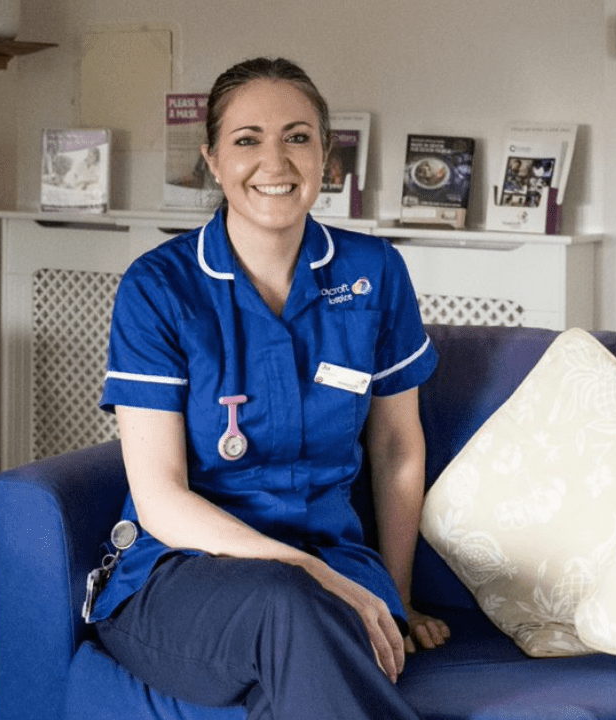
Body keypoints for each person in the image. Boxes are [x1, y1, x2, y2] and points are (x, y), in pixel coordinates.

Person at [89, 56, 450, 720]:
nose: (275, 161)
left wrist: (391, 601)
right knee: (291, 608)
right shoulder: (157, 287)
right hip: (180, 571)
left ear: (326, 158)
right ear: (214, 160)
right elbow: (160, 498)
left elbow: (398, 448)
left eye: (298, 136)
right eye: (247, 139)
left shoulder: (375, 271)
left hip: (336, 563)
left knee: (303, 669)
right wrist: (304, 571)